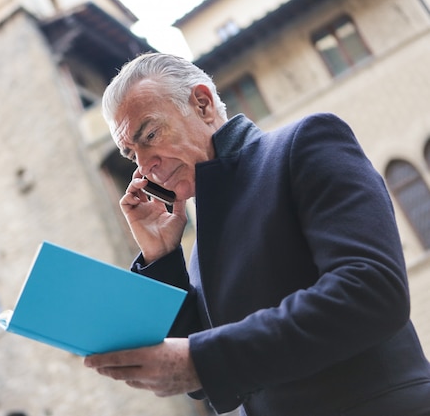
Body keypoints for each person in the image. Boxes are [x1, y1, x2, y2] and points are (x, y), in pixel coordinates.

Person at [83, 52, 430, 416]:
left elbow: (372, 291)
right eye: (130, 153)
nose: (143, 165)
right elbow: (203, 381)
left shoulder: (305, 143)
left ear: (202, 104)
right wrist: (161, 258)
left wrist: (204, 360)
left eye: (150, 134)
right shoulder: (202, 243)